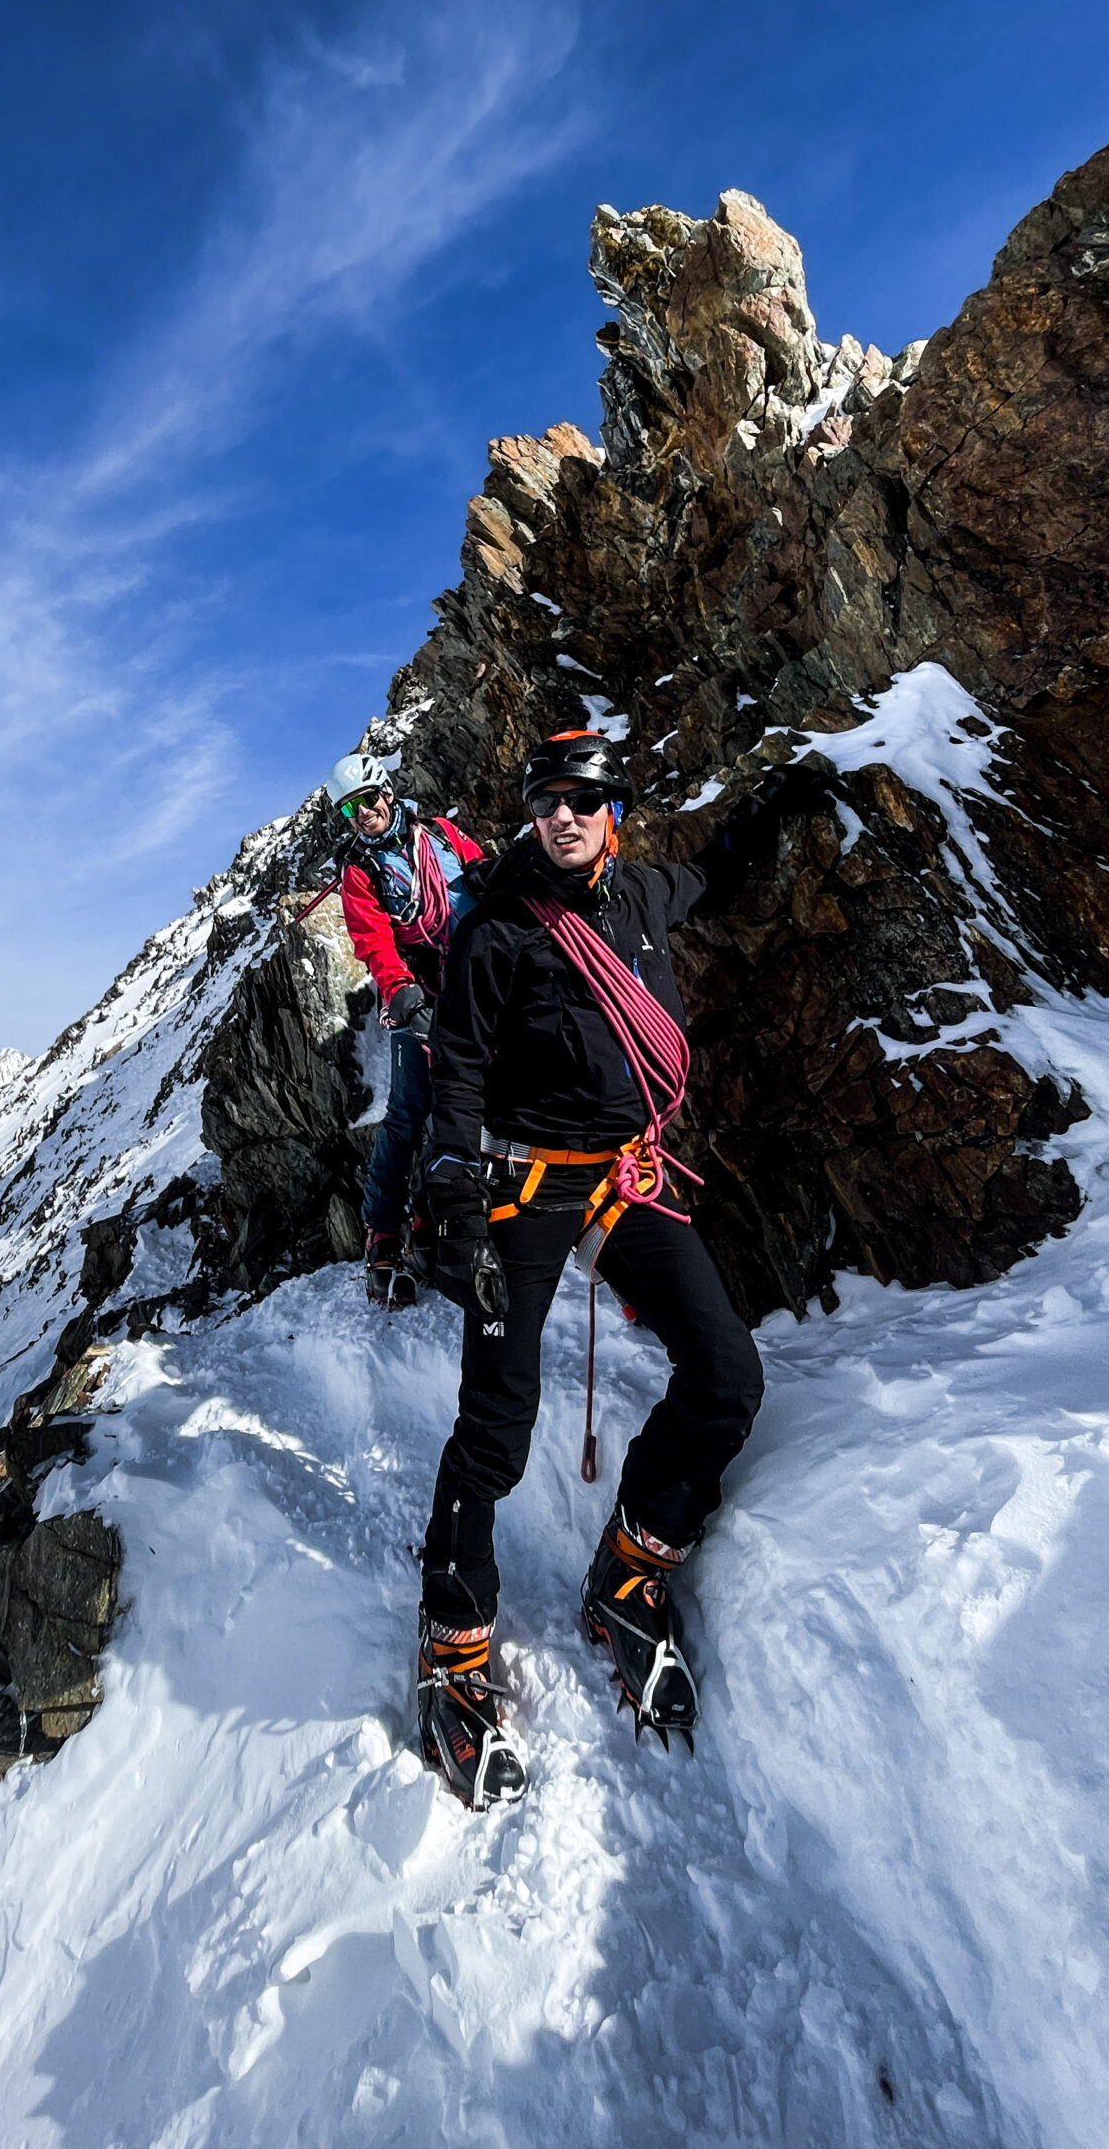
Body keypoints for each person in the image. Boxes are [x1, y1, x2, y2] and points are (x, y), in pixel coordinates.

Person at [413, 728, 832, 1807]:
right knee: (496, 1427)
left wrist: (768, 807)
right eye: (548, 798)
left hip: (619, 1175)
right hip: (522, 1184)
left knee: (727, 1374)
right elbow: (456, 1067)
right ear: (530, 811)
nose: (565, 814)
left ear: (613, 811)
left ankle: (633, 1565)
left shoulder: (640, 894)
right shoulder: (497, 927)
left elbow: (714, 871)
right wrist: (456, 1186)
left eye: (585, 798)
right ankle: (452, 1649)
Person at [325, 752, 485, 1305]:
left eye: (368, 798)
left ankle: (434, 1214)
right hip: (421, 998)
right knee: (410, 1112)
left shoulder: (440, 833)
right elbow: (373, 940)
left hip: (477, 984)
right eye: (350, 807)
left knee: (473, 1103)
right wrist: (401, 991)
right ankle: (385, 1230)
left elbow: (481, 878)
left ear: (387, 792)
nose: (363, 812)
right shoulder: (359, 872)